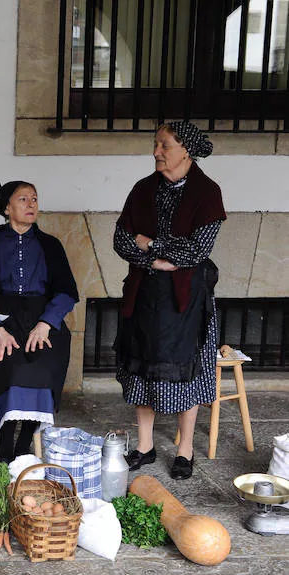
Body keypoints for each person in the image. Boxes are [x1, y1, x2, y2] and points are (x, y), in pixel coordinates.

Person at [114, 121, 225, 480]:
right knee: (142, 367)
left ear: (185, 150)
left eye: (163, 145)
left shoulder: (207, 192)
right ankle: (144, 447)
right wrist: (154, 259)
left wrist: (151, 244)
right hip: (144, 293)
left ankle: (184, 450)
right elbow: (121, 240)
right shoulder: (143, 188)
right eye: (156, 144)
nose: (156, 152)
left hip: (185, 297)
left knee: (184, 372)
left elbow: (196, 250)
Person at [0, 182, 78, 463]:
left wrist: (46, 324)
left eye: (34, 199)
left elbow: (66, 292)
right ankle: (6, 439)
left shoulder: (51, 245)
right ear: (7, 208)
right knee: (9, 364)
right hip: (2, 321)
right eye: (23, 199)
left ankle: (26, 438)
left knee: (44, 361)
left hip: (41, 320)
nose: (31, 204)